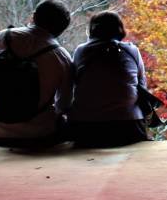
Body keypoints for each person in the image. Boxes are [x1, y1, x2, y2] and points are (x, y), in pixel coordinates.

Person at [0, 0, 74, 146]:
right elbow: (64, 103)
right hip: (40, 136)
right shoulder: (62, 56)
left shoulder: (6, 37)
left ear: (34, 16)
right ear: (61, 29)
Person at [63, 11, 150, 147]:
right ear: (120, 29)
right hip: (129, 124)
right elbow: (142, 86)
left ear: (93, 29)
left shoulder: (82, 51)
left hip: (87, 125)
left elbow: (71, 86)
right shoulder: (131, 51)